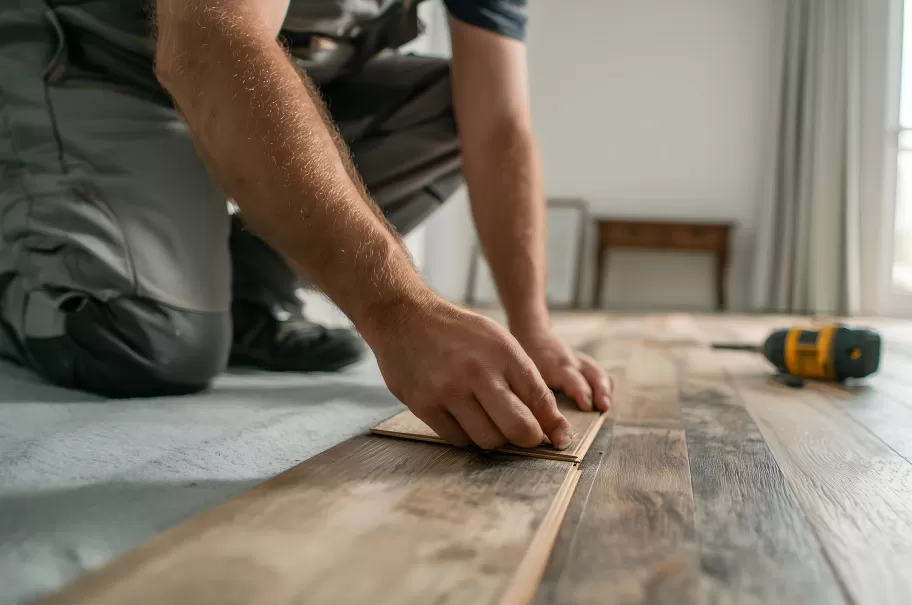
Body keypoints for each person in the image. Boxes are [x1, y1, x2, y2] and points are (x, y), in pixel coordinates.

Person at [0, 0, 612, 450]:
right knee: (145, 345)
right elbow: (208, 42)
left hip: (274, 73)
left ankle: (248, 290)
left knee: (456, 106)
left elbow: (497, 127)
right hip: (100, 64)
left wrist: (533, 327)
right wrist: (398, 311)